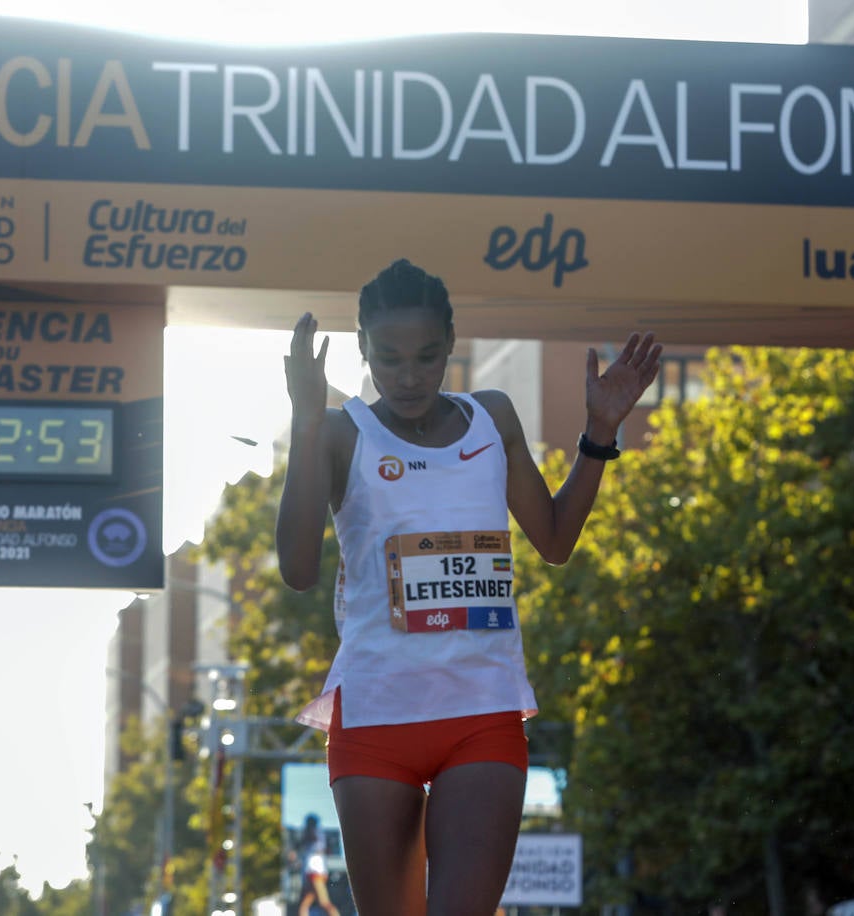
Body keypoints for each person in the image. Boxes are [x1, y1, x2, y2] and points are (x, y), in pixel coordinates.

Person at [276, 258, 662, 916]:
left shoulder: (494, 420)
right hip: (375, 716)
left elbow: (556, 542)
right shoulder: (343, 433)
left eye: (427, 357)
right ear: (362, 352)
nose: (408, 377)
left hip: (481, 712)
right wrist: (306, 423)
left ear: (452, 346)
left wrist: (599, 433)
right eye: (388, 359)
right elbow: (298, 570)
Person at [290, 813, 340, 916]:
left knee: (324, 902)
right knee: (304, 904)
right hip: (311, 871)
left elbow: (307, 840)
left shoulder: (314, 833)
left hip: (316, 871)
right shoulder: (314, 836)